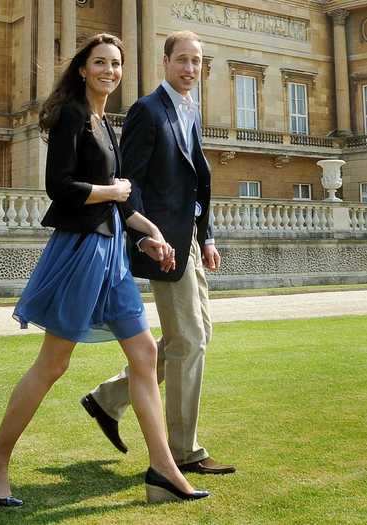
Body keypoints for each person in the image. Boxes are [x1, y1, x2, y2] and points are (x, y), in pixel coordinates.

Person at [0, 33, 209, 508]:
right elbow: (60, 187)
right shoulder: (73, 115)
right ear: (83, 69)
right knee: (53, 363)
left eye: (116, 64)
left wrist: (149, 231)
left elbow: (118, 200)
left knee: (143, 355)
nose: (110, 71)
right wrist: (114, 194)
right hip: (81, 252)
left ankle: (163, 470)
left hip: (114, 250)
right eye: (100, 63)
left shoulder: (105, 122)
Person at [81, 31, 236, 476]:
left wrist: (206, 237)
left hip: (188, 238)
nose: (190, 69)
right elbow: (132, 182)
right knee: (190, 340)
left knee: (194, 334)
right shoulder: (149, 110)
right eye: (182, 60)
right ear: (165, 62)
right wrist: (146, 235)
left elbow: (196, 184)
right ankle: (184, 451)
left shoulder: (191, 111)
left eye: (197, 62)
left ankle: (107, 399)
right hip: (163, 243)